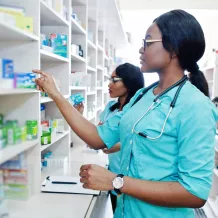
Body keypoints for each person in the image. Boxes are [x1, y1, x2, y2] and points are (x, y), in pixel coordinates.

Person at [33, 9, 218, 218]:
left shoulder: (196, 107)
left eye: (148, 42)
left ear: (173, 49)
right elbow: (98, 138)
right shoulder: (142, 96)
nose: (141, 49)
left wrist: (116, 181)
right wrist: (56, 94)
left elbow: (194, 193)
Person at [99, 63, 144, 212]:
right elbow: (99, 136)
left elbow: (140, 140)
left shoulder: (138, 111)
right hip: (113, 173)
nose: (109, 84)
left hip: (133, 179)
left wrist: (117, 145)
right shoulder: (110, 108)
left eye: (114, 80)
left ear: (129, 82)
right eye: (109, 79)